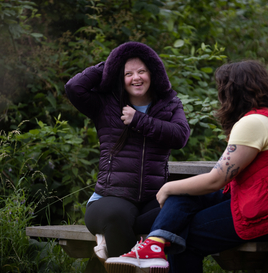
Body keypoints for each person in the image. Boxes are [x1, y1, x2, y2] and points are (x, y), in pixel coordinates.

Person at [104, 60, 268, 273]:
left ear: (232, 92)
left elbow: (217, 180)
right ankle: (153, 244)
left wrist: (167, 188)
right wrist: (176, 190)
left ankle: (147, 241)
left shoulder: (254, 122)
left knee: (182, 236)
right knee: (184, 196)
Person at [64, 41, 190, 263]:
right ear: (119, 77)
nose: (136, 78)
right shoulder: (105, 104)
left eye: (142, 71)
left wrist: (139, 120)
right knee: (118, 218)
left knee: (179, 214)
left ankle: (107, 250)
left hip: (152, 199)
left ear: (153, 73)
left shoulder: (169, 103)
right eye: (128, 73)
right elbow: (74, 87)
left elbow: (180, 136)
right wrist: (113, 61)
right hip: (109, 198)